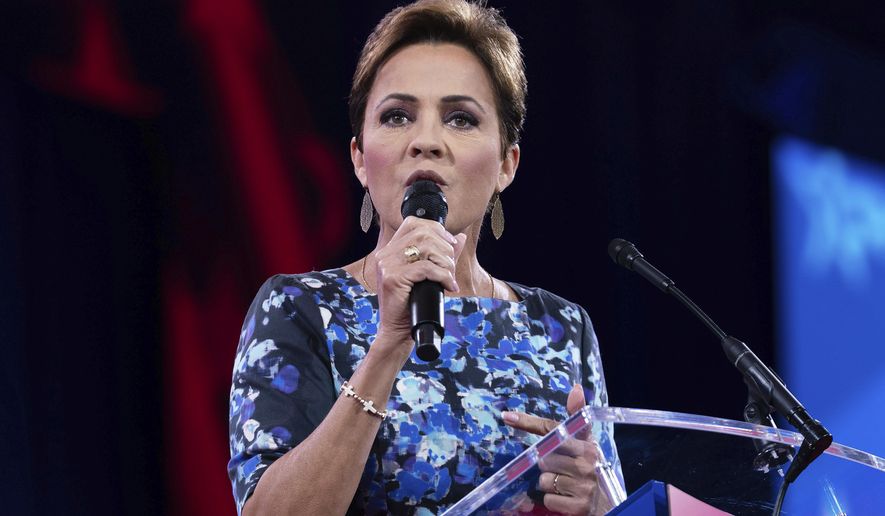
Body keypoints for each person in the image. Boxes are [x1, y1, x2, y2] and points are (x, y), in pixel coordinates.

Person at [228, 1, 620, 514]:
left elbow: (613, 500)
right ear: (360, 159)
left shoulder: (562, 328)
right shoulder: (298, 308)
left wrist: (599, 501)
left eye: (460, 118)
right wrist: (388, 344)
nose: (427, 142)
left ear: (506, 164)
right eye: (397, 116)